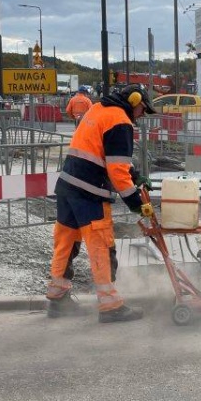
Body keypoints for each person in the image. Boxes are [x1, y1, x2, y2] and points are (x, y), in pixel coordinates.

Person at [45, 83, 156, 323]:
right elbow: (116, 169)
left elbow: (103, 153)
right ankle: (110, 306)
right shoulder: (120, 121)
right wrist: (135, 202)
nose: (141, 116)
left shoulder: (97, 109)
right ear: (135, 101)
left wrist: (135, 175)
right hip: (89, 193)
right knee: (101, 246)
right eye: (142, 110)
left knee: (65, 243)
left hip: (67, 187)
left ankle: (57, 299)